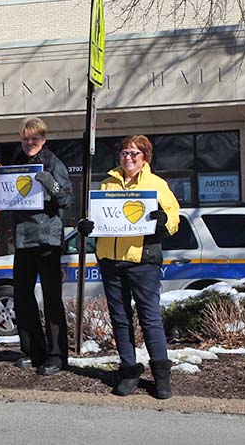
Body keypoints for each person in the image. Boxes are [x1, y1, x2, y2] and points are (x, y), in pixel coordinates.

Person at [77, 135, 180, 399]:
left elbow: (174, 218)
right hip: (111, 260)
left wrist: (163, 220)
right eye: (124, 153)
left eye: (134, 153)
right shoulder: (107, 183)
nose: (128, 158)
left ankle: (161, 375)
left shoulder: (156, 184)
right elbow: (97, 217)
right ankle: (129, 370)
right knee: (120, 318)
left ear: (145, 157)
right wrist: (87, 226)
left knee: (150, 318)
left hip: (142, 260)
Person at [9, 117, 73, 375]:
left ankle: (57, 356)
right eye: (25, 138)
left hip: (47, 240)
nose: (29, 143)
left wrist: (51, 183)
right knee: (22, 298)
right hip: (23, 240)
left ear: (43, 140)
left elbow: (67, 199)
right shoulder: (17, 164)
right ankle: (34, 351)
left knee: (51, 300)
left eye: (34, 138)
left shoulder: (54, 163)